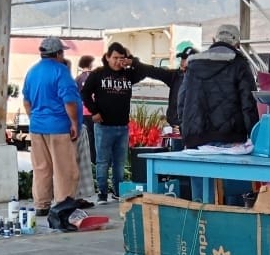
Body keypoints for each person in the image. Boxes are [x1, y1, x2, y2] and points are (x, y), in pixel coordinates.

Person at [80, 42, 170, 201]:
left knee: (119, 163)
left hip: (122, 126)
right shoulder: (98, 74)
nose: (117, 61)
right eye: (114, 58)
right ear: (107, 57)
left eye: (121, 58)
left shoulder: (128, 74)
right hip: (103, 126)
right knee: (102, 161)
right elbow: (85, 93)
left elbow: (143, 71)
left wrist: (131, 59)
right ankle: (102, 193)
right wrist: (94, 111)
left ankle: (117, 191)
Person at [21, 36, 83, 217]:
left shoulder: (32, 71)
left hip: (37, 127)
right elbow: (69, 101)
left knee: (41, 168)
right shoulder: (61, 71)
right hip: (59, 128)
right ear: (58, 53)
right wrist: (73, 122)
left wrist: (35, 118)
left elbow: (26, 101)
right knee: (64, 169)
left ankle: (41, 205)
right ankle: (64, 205)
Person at [178, 24, 257, 148]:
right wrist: (254, 136)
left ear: (214, 40)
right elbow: (249, 105)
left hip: (195, 139)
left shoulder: (193, 64)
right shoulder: (240, 65)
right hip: (230, 139)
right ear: (237, 44)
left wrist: (186, 131)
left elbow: (181, 101)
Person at [163, 43, 197, 133]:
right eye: (182, 58)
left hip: (190, 130)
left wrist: (184, 127)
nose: (182, 61)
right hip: (174, 126)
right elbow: (155, 71)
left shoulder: (199, 80)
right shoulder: (175, 75)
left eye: (185, 59)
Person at [75, 55, 97, 164]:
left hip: (82, 111)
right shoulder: (95, 77)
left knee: (85, 137)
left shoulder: (78, 79)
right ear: (90, 64)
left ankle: (86, 160)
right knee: (94, 137)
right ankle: (94, 160)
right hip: (94, 111)